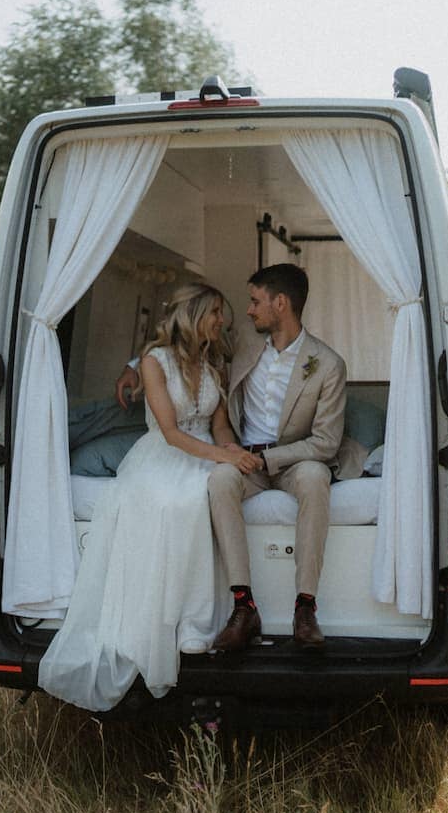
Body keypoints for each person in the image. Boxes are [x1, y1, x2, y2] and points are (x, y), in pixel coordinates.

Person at [38, 283, 258, 712]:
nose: (222, 321)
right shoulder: (155, 363)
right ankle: (162, 625)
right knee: (174, 502)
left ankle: (195, 623)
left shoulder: (214, 365)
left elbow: (219, 427)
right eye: (215, 312)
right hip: (163, 455)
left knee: (206, 493)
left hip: (204, 453)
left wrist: (230, 452)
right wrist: (219, 455)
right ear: (194, 315)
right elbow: (172, 433)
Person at [116, 263, 350, 653]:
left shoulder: (327, 364)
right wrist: (133, 366)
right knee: (220, 479)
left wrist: (270, 459)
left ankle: (305, 607)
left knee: (315, 476)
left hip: (294, 459)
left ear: (280, 303)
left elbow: (325, 442)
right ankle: (244, 606)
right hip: (242, 456)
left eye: (255, 301)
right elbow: (181, 339)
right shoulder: (242, 340)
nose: (246, 311)